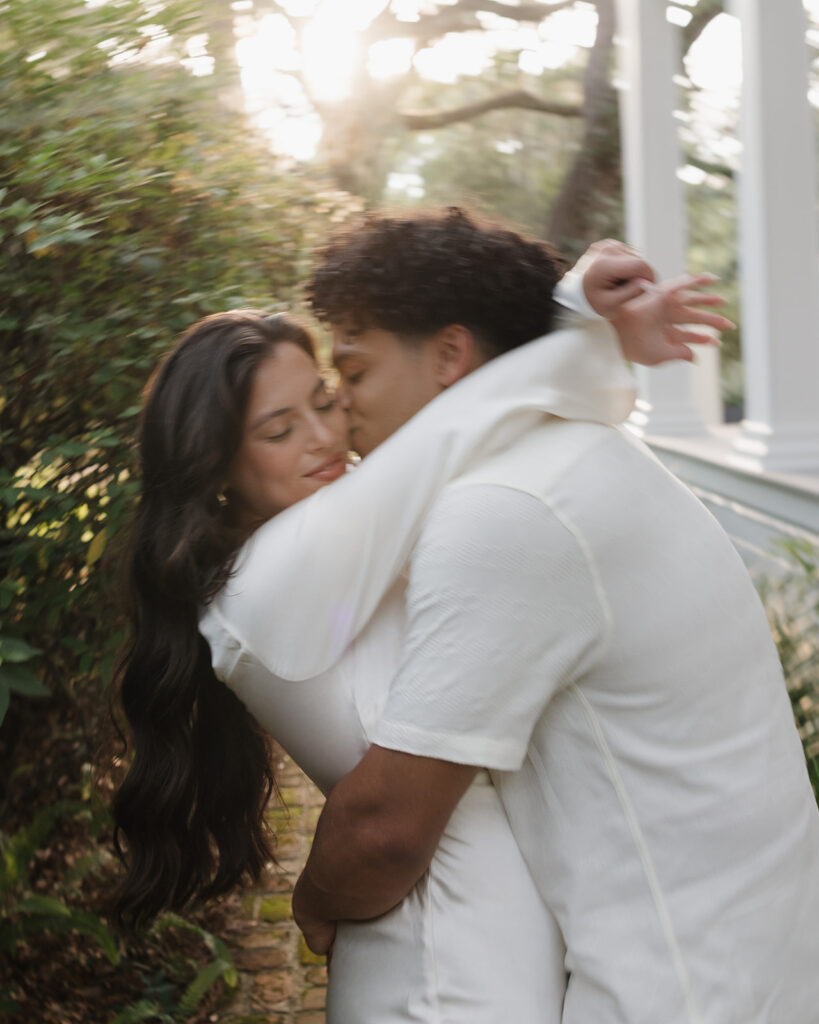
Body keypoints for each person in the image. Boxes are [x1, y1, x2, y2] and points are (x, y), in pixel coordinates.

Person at [111, 222, 724, 1022]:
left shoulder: (352, 538)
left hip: (505, 962)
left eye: (327, 400)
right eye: (277, 430)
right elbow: (459, 426)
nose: (327, 438)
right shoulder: (261, 583)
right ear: (215, 469)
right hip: (434, 977)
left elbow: (456, 439)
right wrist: (576, 324)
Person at [286, 209, 819, 1024]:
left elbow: (386, 830)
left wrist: (317, 896)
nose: (341, 415)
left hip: (676, 995)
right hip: (762, 966)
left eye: (353, 374)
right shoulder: (581, 452)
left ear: (449, 356)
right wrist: (575, 308)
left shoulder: (503, 512)